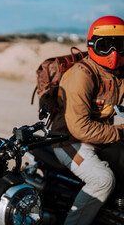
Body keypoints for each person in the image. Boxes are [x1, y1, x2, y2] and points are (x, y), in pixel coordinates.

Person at [51, 15, 124, 225]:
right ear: (92, 45)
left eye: (119, 45)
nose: (113, 53)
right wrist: (120, 132)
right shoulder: (81, 75)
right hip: (68, 140)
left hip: (101, 136)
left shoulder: (118, 74)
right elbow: (80, 128)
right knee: (102, 180)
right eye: (105, 46)